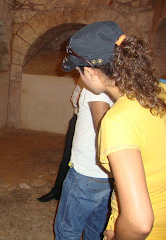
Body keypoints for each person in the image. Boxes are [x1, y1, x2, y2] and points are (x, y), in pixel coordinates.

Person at [62, 21, 166, 239]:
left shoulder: (117, 121)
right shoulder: (160, 90)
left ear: (91, 73)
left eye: (79, 71)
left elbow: (139, 223)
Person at [54, 83, 114, 239]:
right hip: (108, 174)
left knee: (67, 229)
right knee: (97, 227)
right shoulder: (122, 85)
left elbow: (105, 133)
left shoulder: (96, 89)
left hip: (87, 172)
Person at [38, 82, 81, 202]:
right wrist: (79, 101)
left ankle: (73, 196)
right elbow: (74, 96)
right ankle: (57, 190)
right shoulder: (84, 75)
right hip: (78, 118)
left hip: (95, 123)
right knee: (67, 157)